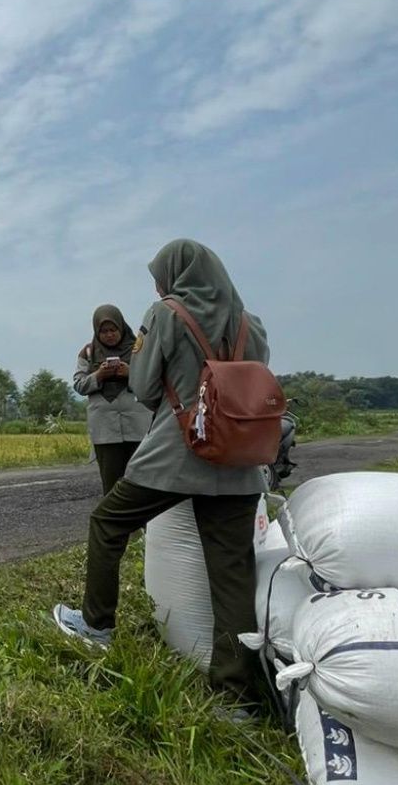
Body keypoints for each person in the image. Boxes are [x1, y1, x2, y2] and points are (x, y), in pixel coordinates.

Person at [53, 238, 271, 711]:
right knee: (233, 572)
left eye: (159, 276)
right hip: (238, 462)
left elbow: (145, 385)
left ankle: (97, 625)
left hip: (178, 455)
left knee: (108, 523)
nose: (156, 284)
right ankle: (235, 698)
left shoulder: (165, 314)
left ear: (175, 275)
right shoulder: (250, 322)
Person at [72, 305, 152, 496]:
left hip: (138, 428)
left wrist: (130, 373)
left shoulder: (139, 348)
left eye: (113, 330)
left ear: (122, 328)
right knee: (111, 483)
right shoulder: (88, 353)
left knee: (141, 481)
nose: (109, 335)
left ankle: (143, 524)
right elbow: (79, 385)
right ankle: (118, 525)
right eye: (104, 331)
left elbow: (153, 379)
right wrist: (98, 375)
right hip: (105, 431)